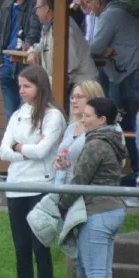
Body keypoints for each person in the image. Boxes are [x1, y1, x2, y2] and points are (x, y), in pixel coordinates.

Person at [0, 65, 67, 278]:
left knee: (41, 248)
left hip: (41, 186)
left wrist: (18, 147)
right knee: (21, 249)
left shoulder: (53, 115)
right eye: (20, 86)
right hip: (15, 186)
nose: (21, 90)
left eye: (26, 86)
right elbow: (3, 151)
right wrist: (24, 152)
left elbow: (42, 151)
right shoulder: (18, 114)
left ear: (40, 86)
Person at [59, 97, 127, 278]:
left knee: (95, 273)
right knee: (97, 271)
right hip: (113, 210)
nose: (83, 120)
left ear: (102, 119)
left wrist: (60, 206)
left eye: (87, 116)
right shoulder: (113, 140)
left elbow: (79, 181)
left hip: (96, 212)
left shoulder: (95, 144)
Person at [87, 0, 139, 174]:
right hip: (128, 72)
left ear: (99, 2)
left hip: (131, 73)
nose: (89, 7)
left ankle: (135, 173)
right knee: (128, 121)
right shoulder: (121, 10)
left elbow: (94, 48)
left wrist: (100, 49)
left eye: (90, 2)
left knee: (128, 122)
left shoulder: (110, 14)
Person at [0, 0, 42, 121]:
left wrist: (29, 43)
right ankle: (12, 144)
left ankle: (25, 144)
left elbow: (35, 29)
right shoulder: (7, 4)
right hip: (6, 65)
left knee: (27, 110)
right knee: (10, 112)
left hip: (24, 64)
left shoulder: (36, 3)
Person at [27, 0, 98, 86]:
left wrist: (48, 83)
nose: (36, 12)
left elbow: (69, 64)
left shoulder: (63, 27)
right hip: (69, 86)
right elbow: (43, 45)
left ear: (47, 8)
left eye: (37, 8)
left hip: (82, 87)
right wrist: (32, 51)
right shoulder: (51, 25)